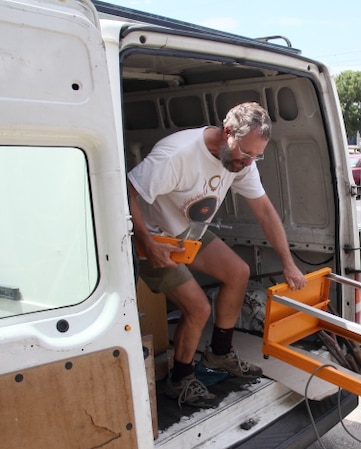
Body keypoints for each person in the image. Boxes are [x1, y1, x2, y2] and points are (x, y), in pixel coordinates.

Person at [127, 102, 306, 409]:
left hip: (187, 231)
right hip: (151, 236)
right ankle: (179, 380)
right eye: (246, 153)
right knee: (198, 309)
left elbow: (264, 211)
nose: (250, 163)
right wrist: (148, 242)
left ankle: (220, 354)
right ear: (227, 133)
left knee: (237, 272)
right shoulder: (177, 156)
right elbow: (127, 191)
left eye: (256, 155)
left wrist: (288, 263)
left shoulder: (240, 160)